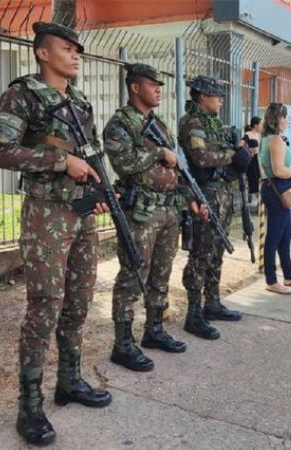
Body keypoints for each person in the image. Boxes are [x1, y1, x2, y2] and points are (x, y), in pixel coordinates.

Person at [0, 22, 112, 446]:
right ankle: (29, 405)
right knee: (45, 305)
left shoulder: (79, 101)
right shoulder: (23, 93)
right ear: (43, 53)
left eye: (79, 49)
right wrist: (61, 163)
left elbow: (92, 156)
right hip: (46, 214)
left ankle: (70, 380)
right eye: (67, 48)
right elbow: (0, 151)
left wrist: (98, 193)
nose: (76, 55)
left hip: (81, 215)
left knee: (79, 301)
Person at [103, 64, 208, 372]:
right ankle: (123, 344)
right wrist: (159, 153)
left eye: (160, 85)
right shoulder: (119, 124)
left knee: (161, 274)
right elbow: (123, 163)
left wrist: (192, 198)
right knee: (133, 276)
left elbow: (178, 168)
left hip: (167, 210)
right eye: (152, 84)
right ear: (135, 87)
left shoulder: (159, 123)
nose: (159, 89)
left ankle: (154, 330)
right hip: (140, 212)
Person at [179, 75, 252, 339]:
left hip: (221, 193)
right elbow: (200, 158)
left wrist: (238, 152)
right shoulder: (193, 123)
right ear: (201, 96)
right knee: (201, 254)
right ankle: (194, 313)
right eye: (216, 95)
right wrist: (232, 155)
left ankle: (212, 302)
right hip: (205, 195)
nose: (221, 99)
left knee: (216, 252)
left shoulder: (213, 123)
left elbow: (221, 153)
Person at [259, 103, 291, 294]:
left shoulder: (271, 138)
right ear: (278, 119)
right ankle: (271, 280)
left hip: (275, 188)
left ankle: (289, 275)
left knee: (285, 235)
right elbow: (280, 171)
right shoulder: (275, 140)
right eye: (285, 116)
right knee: (274, 236)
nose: (287, 120)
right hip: (277, 189)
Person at [244, 116, 262, 203]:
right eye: (260, 124)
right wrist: (250, 152)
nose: (261, 126)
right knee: (253, 180)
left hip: (258, 160)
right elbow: (241, 146)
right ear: (256, 125)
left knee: (258, 180)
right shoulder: (248, 134)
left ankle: (259, 202)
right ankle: (260, 203)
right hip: (251, 160)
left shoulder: (259, 135)